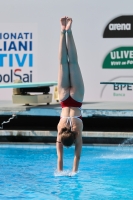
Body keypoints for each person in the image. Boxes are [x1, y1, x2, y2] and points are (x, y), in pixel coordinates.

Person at [56, 17, 84, 172]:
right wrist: (60, 172)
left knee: (73, 62)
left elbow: (77, 157)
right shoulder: (60, 129)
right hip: (64, 99)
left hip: (77, 98)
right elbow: (59, 159)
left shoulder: (77, 129)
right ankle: (62, 31)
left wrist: (73, 172)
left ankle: (69, 30)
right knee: (63, 63)